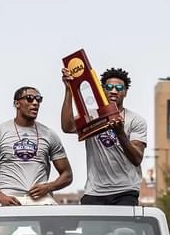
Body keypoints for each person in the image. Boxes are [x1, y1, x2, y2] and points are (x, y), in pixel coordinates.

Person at [60, 67, 147, 205]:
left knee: (123, 228)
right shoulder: (92, 116)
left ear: (125, 92)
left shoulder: (135, 120)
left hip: (125, 191)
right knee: (91, 228)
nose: (114, 91)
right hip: (94, 191)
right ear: (102, 90)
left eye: (119, 87)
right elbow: (67, 126)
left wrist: (120, 133)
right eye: (109, 87)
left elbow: (137, 158)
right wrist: (69, 89)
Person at [0, 86, 73, 205]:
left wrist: (49, 187)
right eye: (29, 98)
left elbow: (67, 174)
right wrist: (0, 196)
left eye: (38, 99)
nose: (35, 103)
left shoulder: (49, 134)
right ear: (17, 103)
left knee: (58, 222)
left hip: (41, 199)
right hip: (8, 197)